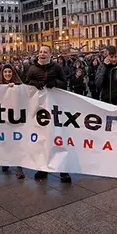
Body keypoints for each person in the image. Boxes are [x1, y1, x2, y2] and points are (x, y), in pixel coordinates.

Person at [25, 45, 71, 183]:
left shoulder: (57, 67)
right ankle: (42, 169)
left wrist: (55, 82)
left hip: (56, 109)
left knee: (59, 138)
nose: (42, 54)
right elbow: (26, 85)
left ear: (50, 54)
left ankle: (63, 171)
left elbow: (64, 83)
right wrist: (34, 82)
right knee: (43, 140)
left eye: (45, 52)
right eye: (40, 52)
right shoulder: (32, 69)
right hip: (40, 111)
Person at [0, 64, 25, 179]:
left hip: (17, 118)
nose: (7, 74)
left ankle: (19, 168)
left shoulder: (19, 85)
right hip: (4, 118)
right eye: (5, 72)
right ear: (2, 74)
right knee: (6, 142)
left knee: (17, 143)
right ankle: (6, 161)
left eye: (9, 72)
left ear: (13, 73)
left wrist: (15, 89)